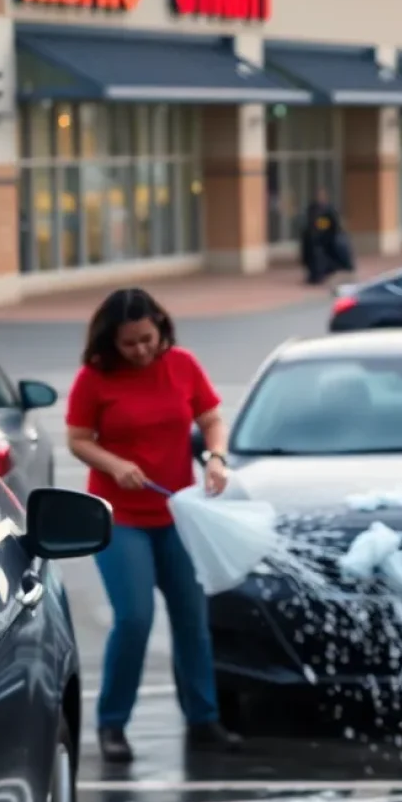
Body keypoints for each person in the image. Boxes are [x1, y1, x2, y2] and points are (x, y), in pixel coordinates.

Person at [66, 287, 242, 763]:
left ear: (161, 329)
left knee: (191, 617)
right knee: (135, 618)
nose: (142, 350)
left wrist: (216, 458)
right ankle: (112, 725)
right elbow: (78, 440)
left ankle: (204, 719)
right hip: (119, 516)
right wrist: (114, 463)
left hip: (175, 513)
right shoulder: (95, 378)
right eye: (130, 344)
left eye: (148, 339)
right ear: (110, 342)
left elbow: (212, 419)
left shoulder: (182, 364)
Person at [301, 187, 351, 285]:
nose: (320, 198)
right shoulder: (312, 208)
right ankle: (313, 276)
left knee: (323, 257)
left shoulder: (329, 209)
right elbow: (309, 223)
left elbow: (334, 224)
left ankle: (322, 274)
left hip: (326, 237)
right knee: (312, 257)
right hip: (313, 238)